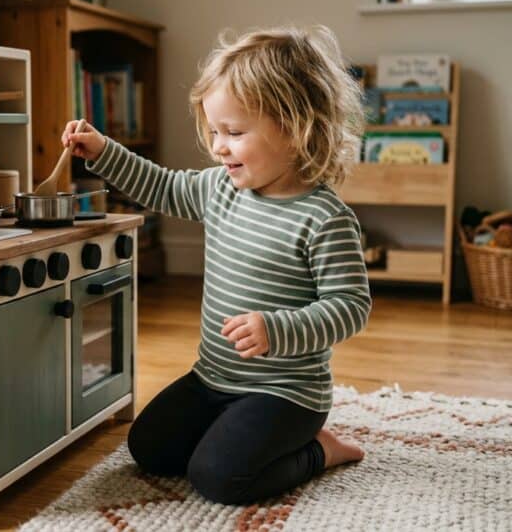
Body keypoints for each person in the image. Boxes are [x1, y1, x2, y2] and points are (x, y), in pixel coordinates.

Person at [60, 25, 370, 505]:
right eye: (214, 132)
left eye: (234, 132)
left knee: (220, 479)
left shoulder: (325, 218)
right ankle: (235, 432)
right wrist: (103, 152)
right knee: (149, 448)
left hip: (286, 393)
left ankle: (319, 451)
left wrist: (279, 328)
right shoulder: (220, 189)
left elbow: (351, 306)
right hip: (213, 378)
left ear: (294, 128)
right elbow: (160, 186)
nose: (219, 147)